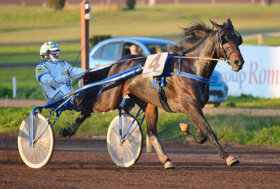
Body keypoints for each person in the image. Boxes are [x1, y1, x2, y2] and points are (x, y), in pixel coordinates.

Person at [35, 41, 86, 107]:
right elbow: (48, 80)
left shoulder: (63, 64)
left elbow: (74, 70)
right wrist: (63, 79)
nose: (57, 55)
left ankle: (80, 101)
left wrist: (87, 72)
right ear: (45, 54)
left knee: (82, 89)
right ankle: (75, 102)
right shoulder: (41, 67)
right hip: (53, 97)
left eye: (57, 52)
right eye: (53, 53)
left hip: (68, 93)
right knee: (63, 87)